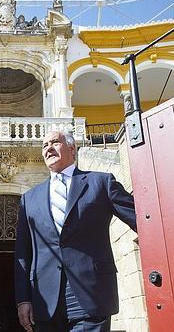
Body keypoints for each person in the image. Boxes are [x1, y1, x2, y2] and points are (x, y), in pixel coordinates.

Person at [15, 130, 137, 332]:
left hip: (91, 293)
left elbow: (141, 219)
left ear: (72, 148)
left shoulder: (101, 182)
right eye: (44, 145)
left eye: (54, 142)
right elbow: (22, 253)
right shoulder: (29, 198)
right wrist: (23, 299)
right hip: (45, 299)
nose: (48, 149)